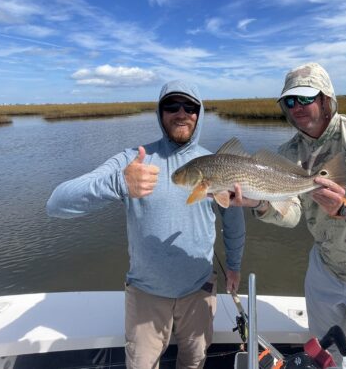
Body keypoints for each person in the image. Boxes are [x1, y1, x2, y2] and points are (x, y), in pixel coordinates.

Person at [46, 80, 245, 369]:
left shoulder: (217, 163)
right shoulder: (133, 160)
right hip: (145, 296)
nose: (181, 113)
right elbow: (56, 203)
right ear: (159, 112)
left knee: (194, 363)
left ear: (199, 113)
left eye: (190, 106)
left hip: (199, 292)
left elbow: (233, 220)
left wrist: (235, 265)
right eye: (172, 106)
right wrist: (119, 183)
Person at [232, 62, 346, 369]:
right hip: (324, 272)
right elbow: (291, 216)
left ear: (326, 99)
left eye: (305, 98)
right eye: (289, 101)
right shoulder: (287, 154)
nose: (297, 107)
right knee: (323, 359)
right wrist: (258, 204)